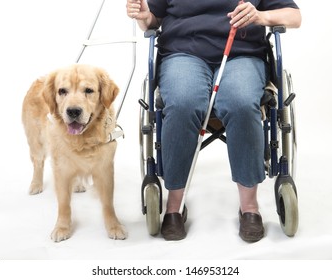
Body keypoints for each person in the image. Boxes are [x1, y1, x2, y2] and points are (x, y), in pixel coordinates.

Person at [126, 0, 301, 242]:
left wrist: (260, 17)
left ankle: (249, 207)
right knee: (183, 102)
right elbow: (153, 19)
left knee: (240, 102)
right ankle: (174, 206)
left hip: (241, 55)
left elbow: (294, 17)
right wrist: (144, 16)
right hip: (183, 53)